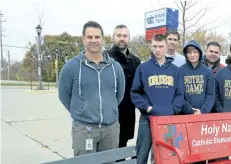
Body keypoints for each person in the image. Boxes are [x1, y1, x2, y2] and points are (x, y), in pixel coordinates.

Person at [58, 21, 125, 160]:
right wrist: (81, 111)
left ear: (102, 39)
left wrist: (109, 110)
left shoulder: (115, 67)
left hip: (111, 129)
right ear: (83, 39)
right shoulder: (71, 67)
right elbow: (64, 95)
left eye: (97, 37)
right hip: (84, 129)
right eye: (89, 37)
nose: (94, 40)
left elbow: (120, 94)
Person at [130, 34, 184, 164]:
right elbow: (135, 93)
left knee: (165, 155)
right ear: (151, 47)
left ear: (166, 47)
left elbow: (180, 94)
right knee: (141, 154)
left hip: (167, 119)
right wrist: (148, 108)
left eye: (161, 46)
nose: (158, 50)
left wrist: (174, 109)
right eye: (155, 46)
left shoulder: (175, 70)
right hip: (147, 119)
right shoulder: (143, 68)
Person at [105, 24, 141, 149]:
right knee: (108, 150)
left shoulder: (136, 61)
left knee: (123, 146)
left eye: (125, 36)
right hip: (110, 114)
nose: (122, 38)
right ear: (113, 37)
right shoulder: (105, 58)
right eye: (119, 35)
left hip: (128, 114)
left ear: (129, 38)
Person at [179, 40, 215, 115]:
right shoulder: (180, 71)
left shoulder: (207, 71)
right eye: (189, 52)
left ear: (199, 53)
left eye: (195, 52)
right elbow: (179, 94)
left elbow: (210, 95)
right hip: (184, 114)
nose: (192, 55)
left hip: (203, 114)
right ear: (186, 54)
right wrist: (189, 110)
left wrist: (202, 111)